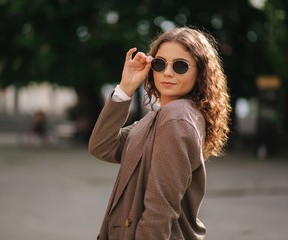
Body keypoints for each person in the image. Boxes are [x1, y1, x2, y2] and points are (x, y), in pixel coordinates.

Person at [88, 26, 231, 240]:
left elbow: (160, 211)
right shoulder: (160, 117)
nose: (167, 72)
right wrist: (126, 88)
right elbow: (103, 146)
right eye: (160, 63)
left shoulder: (176, 118)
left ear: (200, 72)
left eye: (180, 66)